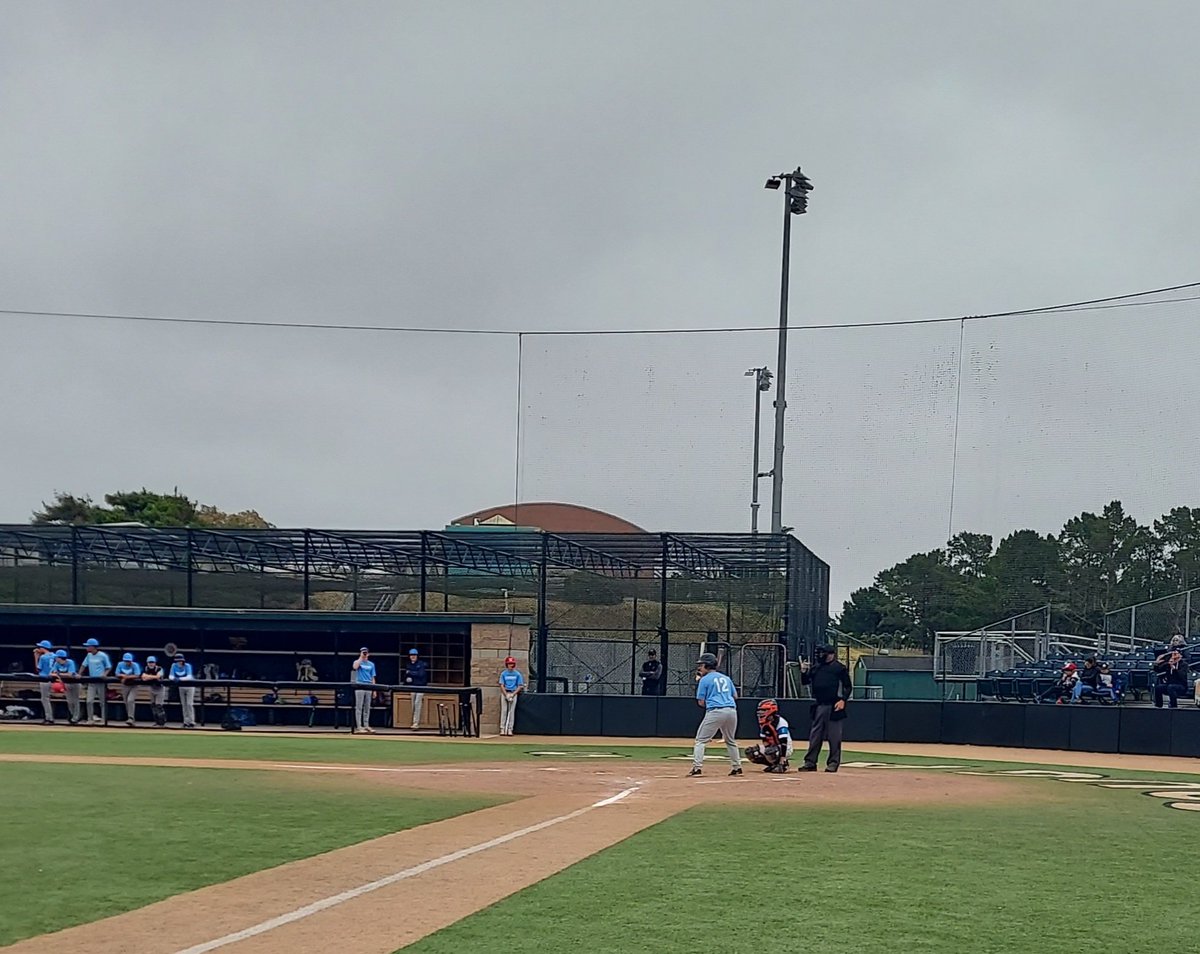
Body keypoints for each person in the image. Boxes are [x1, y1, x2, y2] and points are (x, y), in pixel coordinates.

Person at [799, 644, 852, 773]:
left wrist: (842, 700)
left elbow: (848, 686)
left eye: (823, 653)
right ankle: (810, 762)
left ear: (831, 654)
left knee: (834, 737)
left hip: (834, 706)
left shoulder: (839, 668)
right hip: (819, 704)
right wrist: (804, 672)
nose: (820, 656)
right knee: (815, 736)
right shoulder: (816, 668)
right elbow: (805, 682)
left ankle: (833, 763)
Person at [688, 652, 742, 777]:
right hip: (732, 710)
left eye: (701, 665)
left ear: (707, 665)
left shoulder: (704, 680)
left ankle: (697, 768)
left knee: (700, 740)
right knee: (730, 741)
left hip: (716, 710)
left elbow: (701, 702)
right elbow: (735, 696)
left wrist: (713, 702)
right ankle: (737, 767)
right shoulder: (726, 678)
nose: (699, 668)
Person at [744, 698, 793, 773]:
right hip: (773, 746)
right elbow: (765, 741)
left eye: (763, 710)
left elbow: (784, 742)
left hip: (785, 747)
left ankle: (783, 764)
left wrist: (782, 757)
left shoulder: (781, 722)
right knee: (751, 752)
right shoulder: (764, 723)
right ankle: (773, 764)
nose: (761, 713)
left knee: (769, 751)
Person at [79, 638, 112, 725]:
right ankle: (90, 719)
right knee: (89, 701)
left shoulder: (103, 655)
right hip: (91, 681)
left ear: (93, 647)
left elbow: (108, 667)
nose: (86, 647)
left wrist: (105, 674)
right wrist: (79, 674)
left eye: (88, 646)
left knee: (102, 701)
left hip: (100, 681)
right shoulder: (89, 655)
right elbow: (83, 665)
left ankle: (104, 719)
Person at [50, 650, 81, 724]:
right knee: (69, 702)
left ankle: (76, 718)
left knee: (75, 701)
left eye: (56, 657)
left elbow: (70, 674)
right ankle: (72, 716)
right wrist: (60, 674)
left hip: (75, 684)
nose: (56, 659)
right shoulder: (57, 663)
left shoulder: (70, 662)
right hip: (66, 684)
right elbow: (51, 673)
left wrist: (59, 674)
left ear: (60, 658)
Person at [351, 646, 376, 734]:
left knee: (367, 707)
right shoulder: (357, 661)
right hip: (359, 685)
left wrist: (374, 689)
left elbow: (373, 677)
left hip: (368, 685)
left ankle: (366, 725)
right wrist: (361, 657)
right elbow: (355, 667)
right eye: (363, 652)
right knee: (359, 707)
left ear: (368, 653)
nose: (365, 654)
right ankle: (359, 726)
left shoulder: (371, 664)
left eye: (366, 653)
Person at [498, 656, 525, 736]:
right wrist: (506, 694)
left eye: (512, 664)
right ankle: (502, 728)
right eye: (509, 664)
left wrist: (513, 694)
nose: (511, 665)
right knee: (504, 711)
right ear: (507, 664)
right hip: (505, 693)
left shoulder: (517, 674)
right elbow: (501, 685)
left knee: (511, 711)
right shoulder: (504, 673)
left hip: (513, 693)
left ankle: (510, 729)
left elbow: (520, 685)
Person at [169, 653, 197, 728]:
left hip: (190, 686)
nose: (179, 662)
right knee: (184, 705)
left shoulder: (187, 666)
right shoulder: (173, 665)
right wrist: (174, 679)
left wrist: (179, 679)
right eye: (177, 661)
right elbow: (170, 676)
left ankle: (191, 721)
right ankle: (185, 722)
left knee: (189, 704)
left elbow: (189, 676)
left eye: (180, 660)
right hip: (181, 686)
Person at [114, 652, 142, 726]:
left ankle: (131, 718)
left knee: (130, 700)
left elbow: (137, 675)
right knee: (126, 701)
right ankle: (130, 718)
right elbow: (116, 673)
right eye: (126, 661)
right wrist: (123, 676)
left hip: (134, 686)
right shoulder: (120, 664)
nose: (127, 662)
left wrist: (126, 677)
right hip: (125, 685)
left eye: (129, 661)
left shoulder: (135, 665)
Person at [403, 648, 429, 730]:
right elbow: (406, 676)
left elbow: (421, 674)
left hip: (421, 687)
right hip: (412, 686)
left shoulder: (421, 664)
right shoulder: (409, 664)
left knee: (418, 703)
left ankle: (416, 723)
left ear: (417, 656)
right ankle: (414, 721)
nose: (413, 657)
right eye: (411, 655)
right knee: (413, 705)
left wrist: (410, 673)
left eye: (414, 655)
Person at [33, 640, 56, 724]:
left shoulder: (43, 657)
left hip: (44, 678)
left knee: (44, 699)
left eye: (40, 647)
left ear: (44, 648)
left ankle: (49, 718)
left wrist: (36, 656)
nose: (39, 649)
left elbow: (38, 669)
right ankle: (49, 717)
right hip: (53, 679)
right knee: (47, 698)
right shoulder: (54, 655)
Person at [141, 655, 167, 727]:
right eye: (149, 662)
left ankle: (162, 723)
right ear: (147, 663)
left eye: (152, 662)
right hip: (152, 688)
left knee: (159, 705)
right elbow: (143, 677)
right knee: (153, 705)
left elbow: (158, 676)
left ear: (155, 663)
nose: (151, 664)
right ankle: (157, 722)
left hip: (160, 689)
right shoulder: (146, 668)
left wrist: (148, 677)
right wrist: (153, 677)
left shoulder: (159, 668)